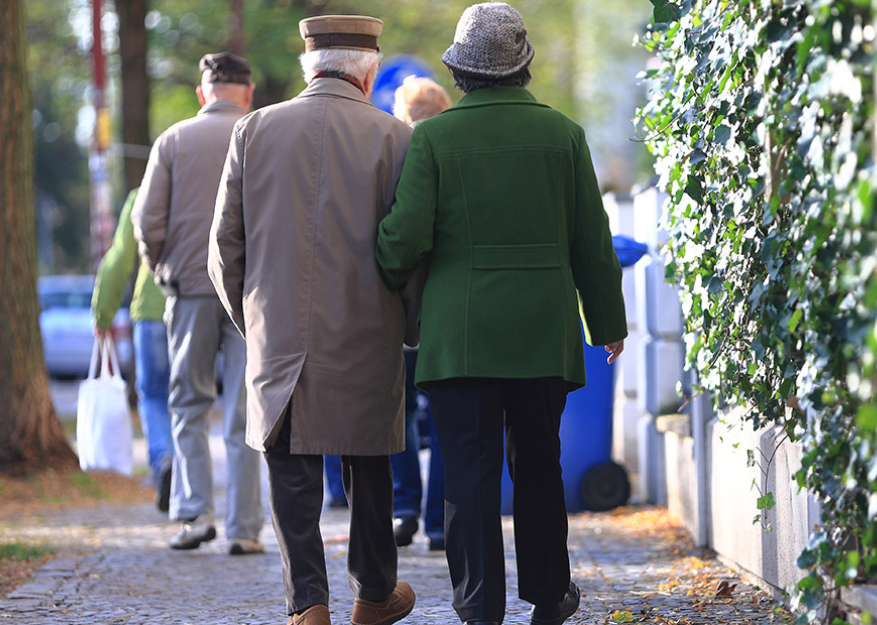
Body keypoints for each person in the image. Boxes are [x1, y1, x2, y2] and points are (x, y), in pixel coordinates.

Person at [375, 4, 628, 625]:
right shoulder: (565, 135)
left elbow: (404, 240)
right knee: (540, 464)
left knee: (467, 471)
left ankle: (478, 603)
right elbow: (592, 242)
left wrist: (382, 271)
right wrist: (607, 324)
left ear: (460, 70)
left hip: (460, 337)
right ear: (523, 66)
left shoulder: (434, 137)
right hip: (543, 332)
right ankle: (549, 593)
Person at [208, 15, 420, 625]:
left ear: (309, 67)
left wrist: (255, 321)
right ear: (370, 71)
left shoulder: (253, 130)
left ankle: (309, 607)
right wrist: (410, 327)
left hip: (279, 334)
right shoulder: (396, 138)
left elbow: (224, 247)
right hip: (367, 330)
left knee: (292, 473)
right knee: (369, 465)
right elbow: (412, 250)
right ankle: (375, 595)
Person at [132, 52, 264, 555]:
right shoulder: (260, 133)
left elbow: (146, 220)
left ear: (201, 92)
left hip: (189, 289)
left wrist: (162, 266)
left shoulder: (174, 139)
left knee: (188, 403)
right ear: (247, 92)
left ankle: (194, 516)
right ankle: (246, 528)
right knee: (246, 409)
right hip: (250, 295)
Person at [388, 76, 450, 552]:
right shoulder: (454, 151)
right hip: (448, 305)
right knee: (449, 413)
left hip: (397, 308)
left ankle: (405, 506)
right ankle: (439, 522)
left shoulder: (394, 153)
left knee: (400, 410)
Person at [91, 189, 174, 512]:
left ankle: (163, 458)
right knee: (188, 398)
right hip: (190, 309)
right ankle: (188, 476)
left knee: (152, 394)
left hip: (150, 314)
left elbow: (120, 257)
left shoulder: (141, 196)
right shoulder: (201, 188)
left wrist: (102, 313)